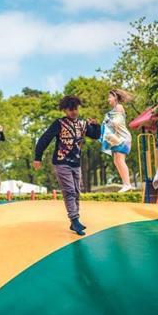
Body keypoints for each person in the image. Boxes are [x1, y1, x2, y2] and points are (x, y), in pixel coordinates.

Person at [33, 95, 101, 236]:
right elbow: (45, 139)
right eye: (70, 110)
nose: (74, 112)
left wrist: (95, 125)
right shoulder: (59, 123)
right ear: (65, 110)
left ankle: (74, 221)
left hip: (76, 163)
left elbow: (95, 135)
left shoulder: (82, 124)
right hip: (61, 162)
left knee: (76, 192)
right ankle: (75, 220)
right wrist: (37, 157)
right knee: (69, 191)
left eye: (75, 109)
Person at [100, 89, 134, 193]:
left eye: (109, 97)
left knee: (120, 160)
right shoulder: (114, 110)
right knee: (116, 161)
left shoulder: (119, 107)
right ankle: (126, 183)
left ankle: (127, 184)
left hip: (122, 138)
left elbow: (117, 123)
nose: (108, 99)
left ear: (115, 97)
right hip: (116, 139)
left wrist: (107, 121)